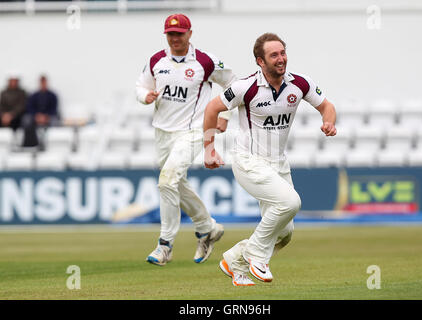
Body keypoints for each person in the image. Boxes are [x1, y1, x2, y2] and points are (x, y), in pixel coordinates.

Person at [203, 33, 337, 286]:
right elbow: (212, 109)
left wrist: (328, 121)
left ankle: (234, 260)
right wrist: (209, 149)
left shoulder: (299, 83)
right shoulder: (246, 87)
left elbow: (327, 106)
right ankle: (256, 256)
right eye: (274, 55)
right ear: (260, 61)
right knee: (291, 202)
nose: (281, 59)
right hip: (248, 160)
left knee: (285, 233)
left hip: (278, 163)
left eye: (283, 53)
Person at [135, 13, 236, 266]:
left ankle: (164, 246)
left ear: (190, 34)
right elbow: (141, 86)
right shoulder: (156, 60)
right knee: (175, 184)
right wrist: (145, 96)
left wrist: (225, 114)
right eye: (171, 34)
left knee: (167, 182)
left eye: (179, 33)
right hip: (162, 131)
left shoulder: (205, 61)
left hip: (193, 130)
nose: (175, 38)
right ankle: (207, 227)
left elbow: (233, 84)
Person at [22, 75, 60, 148]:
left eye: (44, 82)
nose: (43, 84)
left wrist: (46, 116)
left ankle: (53, 144)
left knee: (55, 121)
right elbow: (30, 108)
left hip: (48, 117)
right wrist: (36, 116)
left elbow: (54, 108)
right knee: (26, 120)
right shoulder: (34, 95)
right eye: (42, 82)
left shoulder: (52, 95)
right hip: (36, 117)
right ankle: (30, 144)